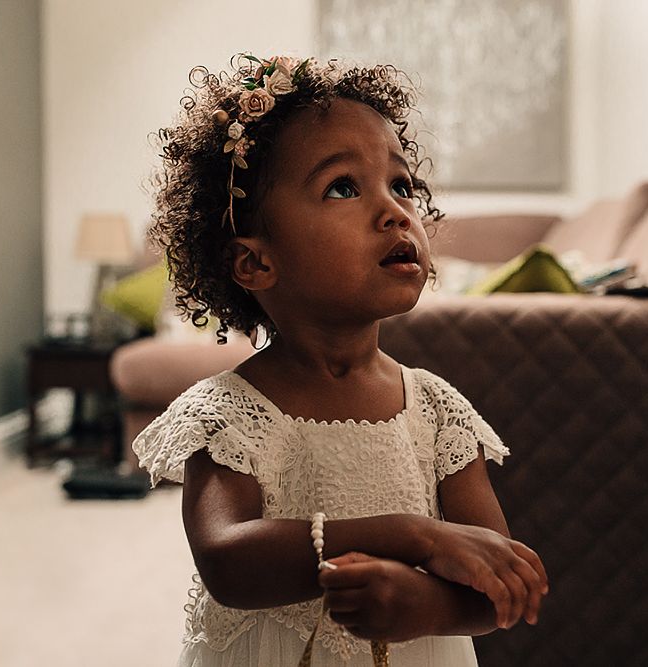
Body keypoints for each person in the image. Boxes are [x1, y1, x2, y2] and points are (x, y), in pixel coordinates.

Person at [133, 54, 549, 666]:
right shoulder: (227, 414)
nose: (395, 211)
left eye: (402, 184)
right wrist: (412, 533)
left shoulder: (436, 410)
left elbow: (499, 584)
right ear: (255, 263)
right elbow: (227, 559)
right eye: (343, 187)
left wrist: (430, 605)